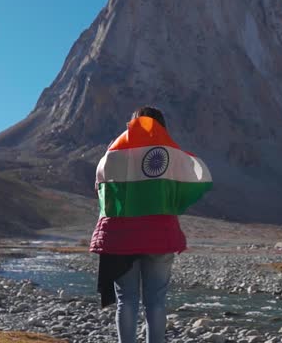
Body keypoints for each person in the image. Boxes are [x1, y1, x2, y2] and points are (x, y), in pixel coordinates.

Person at [89, 106, 213, 343]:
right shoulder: (171, 153)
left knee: (127, 300)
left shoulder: (113, 153)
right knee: (155, 301)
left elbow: (101, 191)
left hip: (120, 239)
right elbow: (189, 182)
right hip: (160, 236)